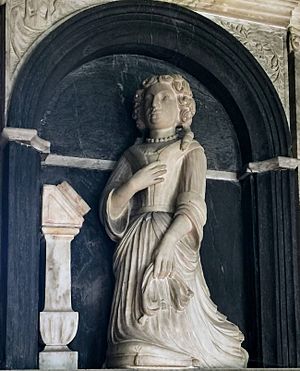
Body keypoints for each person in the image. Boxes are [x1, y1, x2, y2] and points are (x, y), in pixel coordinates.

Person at [100, 74, 248, 368]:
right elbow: (111, 210)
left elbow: (193, 206)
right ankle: (136, 345)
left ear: (182, 108)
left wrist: (168, 243)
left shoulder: (190, 151)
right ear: (140, 112)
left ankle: (173, 348)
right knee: (132, 331)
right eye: (150, 100)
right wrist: (134, 184)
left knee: (171, 307)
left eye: (165, 98)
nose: (156, 105)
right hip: (136, 240)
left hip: (174, 238)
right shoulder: (132, 155)